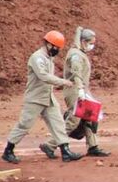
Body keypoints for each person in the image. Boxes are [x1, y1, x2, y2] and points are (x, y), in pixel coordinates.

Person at [2, 31, 83, 164]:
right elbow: (44, 76)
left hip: (48, 98)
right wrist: (63, 82)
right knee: (24, 124)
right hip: (35, 99)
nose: (57, 50)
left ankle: (65, 151)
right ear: (48, 44)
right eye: (55, 47)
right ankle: (8, 150)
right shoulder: (37, 58)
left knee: (58, 124)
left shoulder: (48, 59)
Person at [40, 27, 110, 159]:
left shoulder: (78, 51)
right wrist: (81, 90)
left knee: (90, 117)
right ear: (83, 41)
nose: (92, 45)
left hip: (81, 90)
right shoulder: (76, 55)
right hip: (75, 90)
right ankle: (50, 145)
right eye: (90, 42)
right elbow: (76, 74)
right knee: (73, 120)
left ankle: (93, 146)